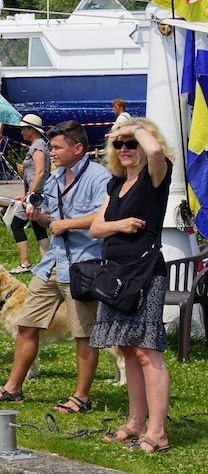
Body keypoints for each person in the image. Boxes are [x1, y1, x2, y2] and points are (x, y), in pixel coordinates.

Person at [0, 121, 111, 409]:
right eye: (51, 147)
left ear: (78, 148)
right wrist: (36, 215)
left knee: (83, 332)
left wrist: (67, 224)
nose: (51, 152)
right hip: (51, 263)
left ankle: (81, 398)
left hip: (83, 265)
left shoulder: (98, 177)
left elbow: (103, 218)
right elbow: (49, 218)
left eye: (57, 147)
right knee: (27, 324)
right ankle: (12, 388)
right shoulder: (56, 177)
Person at [89, 118, 173, 454]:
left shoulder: (157, 174)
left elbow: (153, 148)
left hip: (145, 273)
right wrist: (120, 224)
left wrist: (132, 126)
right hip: (115, 275)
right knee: (126, 348)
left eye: (130, 144)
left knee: (147, 351)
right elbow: (96, 228)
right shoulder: (116, 184)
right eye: (118, 145)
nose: (125, 149)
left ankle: (158, 432)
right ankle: (136, 422)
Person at [10, 114, 51, 274]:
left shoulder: (37, 147)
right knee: (38, 227)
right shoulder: (40, 144)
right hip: (38, 194)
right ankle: (45, 264)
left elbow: (39, 172)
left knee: (16, 225)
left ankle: (25, 263)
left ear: (31, 130)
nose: (21, 133)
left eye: (23, 129)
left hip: (36, 196)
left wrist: (30, 194)